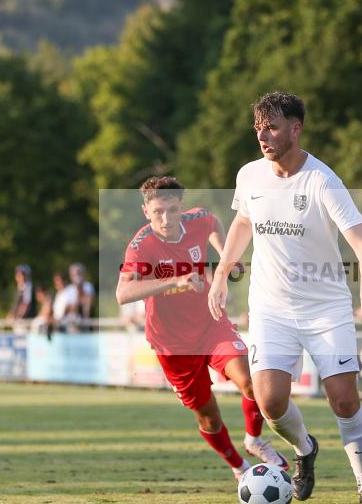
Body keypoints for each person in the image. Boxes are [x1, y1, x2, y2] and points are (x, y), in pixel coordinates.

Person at [208, 92, 362, 504]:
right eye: (258, 128)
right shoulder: (250, 175)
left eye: (272, 127)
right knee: (270, 403)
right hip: (271, 309)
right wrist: (221, 274)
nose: (263, 136)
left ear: (296, 128)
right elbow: (242, 223)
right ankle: (305, 449)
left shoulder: (322, 181)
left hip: (326, 309)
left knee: (344, 400)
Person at [117, 175, 288, 481]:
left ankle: (254, 439)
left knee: (252, 382)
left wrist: (225, 257)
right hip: (172, 344)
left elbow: (214, 224)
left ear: (181, 206)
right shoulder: (141, 246)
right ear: (146, 212)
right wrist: (175, 280)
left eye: (172, 210)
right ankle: (239, 467)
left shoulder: (198, 219)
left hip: (211, 323)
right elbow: (123, 293)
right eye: (158, 212)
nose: (166, 219)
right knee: (208, 416)